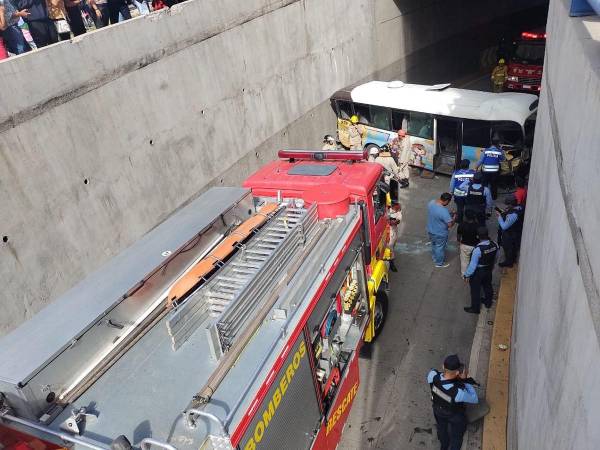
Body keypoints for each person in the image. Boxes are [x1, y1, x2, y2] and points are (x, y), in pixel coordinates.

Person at [427, 354, 478, 450]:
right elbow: (474, 399)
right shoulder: (458, 393)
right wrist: (465, 381)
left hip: (438, 410)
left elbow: (440, 375)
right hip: (454, 416)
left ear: (443, 366)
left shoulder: (432, 375)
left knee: (442, 429)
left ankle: (444, 446)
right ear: (458, 372)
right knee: (457, 437)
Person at [463, 227, 499, 314]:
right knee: (487, 285)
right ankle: (488, 302)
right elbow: (496, 257)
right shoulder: (495, 245)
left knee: (475, 290)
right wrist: (492, 266)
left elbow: (472, 266)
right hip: (488, 269)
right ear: (487, 234)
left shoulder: (478, 250)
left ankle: (475, 308)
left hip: (478, 272)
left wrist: (466, 274)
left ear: (478, 236)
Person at [427, 193, 456, 268]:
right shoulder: (444, 211)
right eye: (449, 202)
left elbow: (437, 215)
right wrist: (454, 218)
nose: (448, 203)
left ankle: (434, 258)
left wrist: (449, 215)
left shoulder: (431, 203)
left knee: (434, 244)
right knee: (440, 248)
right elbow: (450, 225)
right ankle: (439, 263)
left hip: (430, 230)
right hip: (440, 233)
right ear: (446, 201)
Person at [497, 196, 524, 268]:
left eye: (507, 204)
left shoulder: (513, 215)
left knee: (508, 248)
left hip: (510, 234)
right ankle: (512, 259)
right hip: (515, 232)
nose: (506, 206)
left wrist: (499, 217)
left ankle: (509, 262)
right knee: (512, 248)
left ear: (510, 205)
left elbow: (504, 226)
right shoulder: (519, 207)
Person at [449, 159, 475, 223]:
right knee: (468, 207)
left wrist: (451, 192)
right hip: (468, 194)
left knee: (460, 208)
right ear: (468, 166)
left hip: (458, 195)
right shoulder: (473, 173)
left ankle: (459, 220)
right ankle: (468, 220)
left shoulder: (456, 173)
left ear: (461, 165)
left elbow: (452, 184)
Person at [457, 210, 479, 275]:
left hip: (465, 245)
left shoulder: (461, 225)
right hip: (475, 246)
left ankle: (464, 275)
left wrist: (460, 242)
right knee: (475, 261)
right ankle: (474, 273)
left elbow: (458, 237)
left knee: (464, 262)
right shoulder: (477, 226)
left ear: (465, 217)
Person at [387, 203, 402, 272]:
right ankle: (391, 263)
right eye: (396, 208)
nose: (398, 210)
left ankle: (391, 261)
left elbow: (398, 221)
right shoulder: (387, 210)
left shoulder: (398, 212)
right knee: (390, 248)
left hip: (393, 231)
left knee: (392, 246)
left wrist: (392, 222)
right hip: (388, 232)